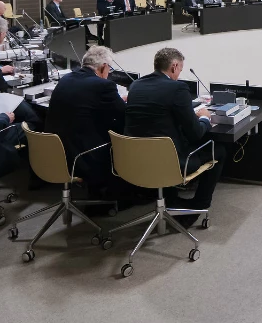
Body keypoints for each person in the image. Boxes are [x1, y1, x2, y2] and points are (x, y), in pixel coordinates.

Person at [124, 48, 225, 227]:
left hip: (133, 161)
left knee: (161, 141)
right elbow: (195, 134)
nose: (179, 74)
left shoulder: (136, 85)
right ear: (174, 66)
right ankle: (197, 207)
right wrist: (204, 118)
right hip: (170, 163)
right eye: (180, 70)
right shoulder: (177, 88)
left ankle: (171, 200)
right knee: (218, 150)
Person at [45, 46, 125, 195]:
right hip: (82, 156)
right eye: (110, 70)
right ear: (103, 67)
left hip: (54, 151)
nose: (109, 73)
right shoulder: (104, 86)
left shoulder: (66, 79)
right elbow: (123, 113)